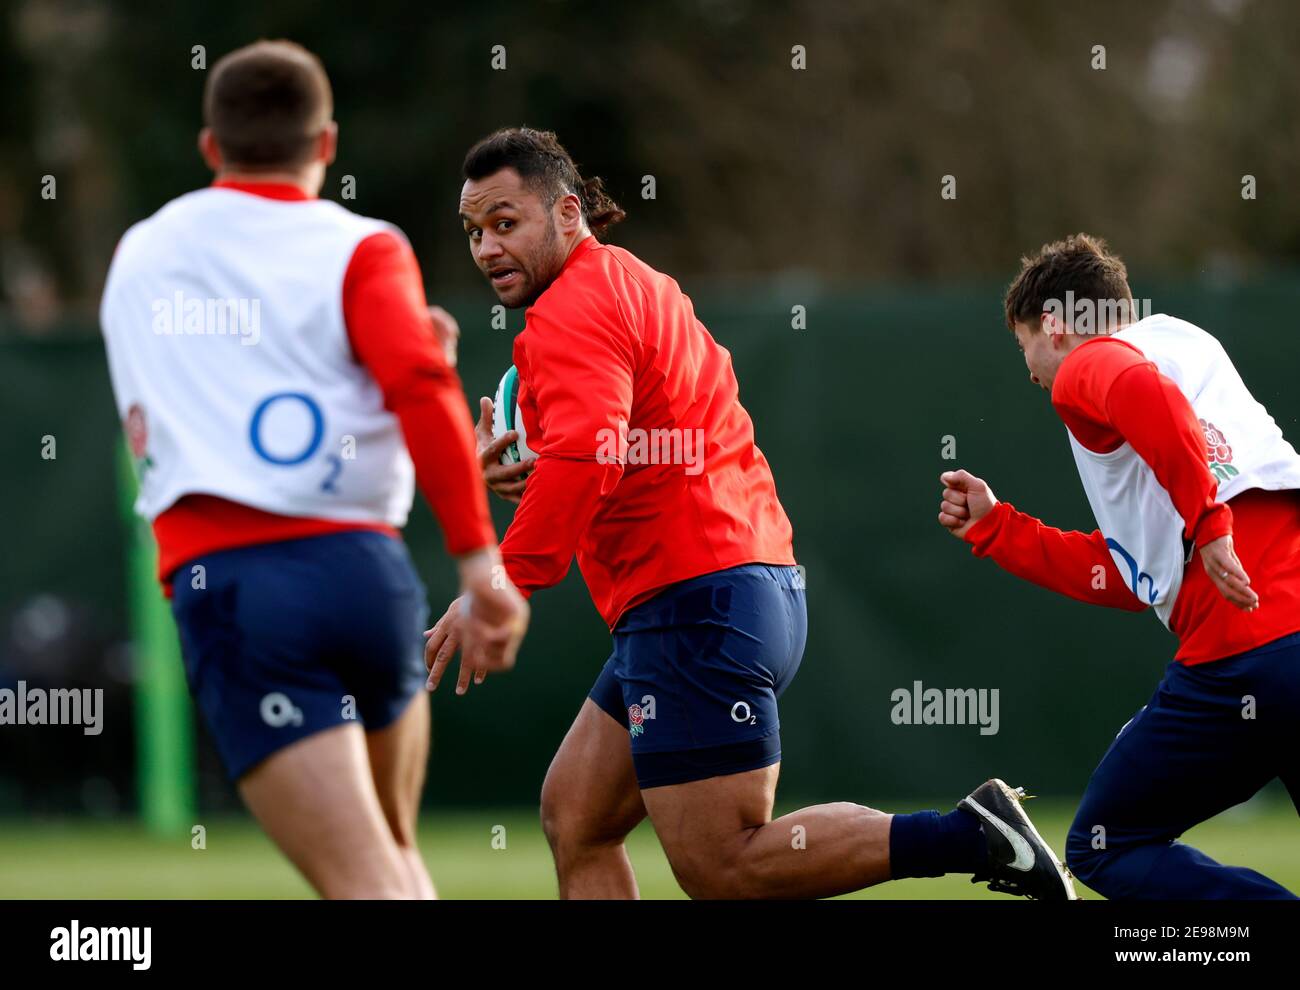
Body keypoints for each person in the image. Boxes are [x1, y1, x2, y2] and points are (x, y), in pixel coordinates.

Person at [426, 126, 1076, 900]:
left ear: (569, 214)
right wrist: (547, 470)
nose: (488, 248)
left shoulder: (570, 309)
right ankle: (974, 833)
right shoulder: (635, 280)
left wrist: (502, 582)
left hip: (693, 603)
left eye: (507, 222)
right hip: (734, 587)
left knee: (722, 863)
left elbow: (591, 453)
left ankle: (972, 835)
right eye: (474, 232)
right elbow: (611, 445)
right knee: (577, 815)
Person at [99, 40, 527, 899]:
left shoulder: (141, 255)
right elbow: (417, 389)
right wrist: (482, 566)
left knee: (365, 882)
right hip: (364, 578)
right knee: (395, 862)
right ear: (327, 144)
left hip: (236, 585)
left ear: (210, 147)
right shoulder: (364, 246)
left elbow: (192, 409)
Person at [939, 233, 1300, 899]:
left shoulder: (1087, 366)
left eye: (1027, 350)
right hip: (1279, 634)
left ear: (1054, 324)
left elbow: (1141, 394)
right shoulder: (1189, 344)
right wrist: (999, 529)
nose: (1032, 373)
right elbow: (1138, 575)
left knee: (1105, 843)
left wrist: (1209, 520)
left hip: (1246, 650)